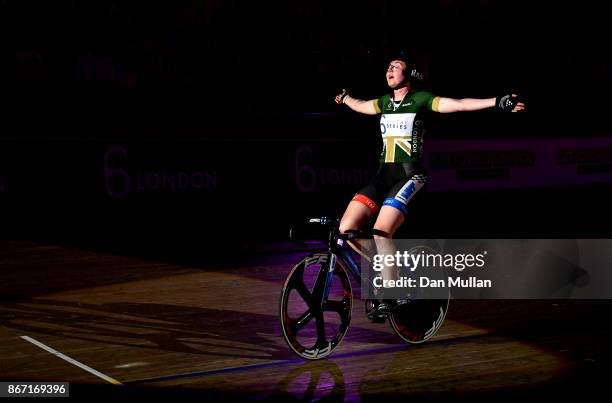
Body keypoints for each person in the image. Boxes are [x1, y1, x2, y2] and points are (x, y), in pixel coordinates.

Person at [334, 52, 525, 321]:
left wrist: (496, 102)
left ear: (409, 74)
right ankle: (387, 265)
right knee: (346, 230)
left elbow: (458, 104)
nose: (389, 70)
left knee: (380, 230)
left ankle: (391, 289)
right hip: (381, 176)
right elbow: (362, 105)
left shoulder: (420, 99)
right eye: (387, 66)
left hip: (409, 176)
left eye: (395, 67)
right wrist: (346, 99)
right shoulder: (385, 102)